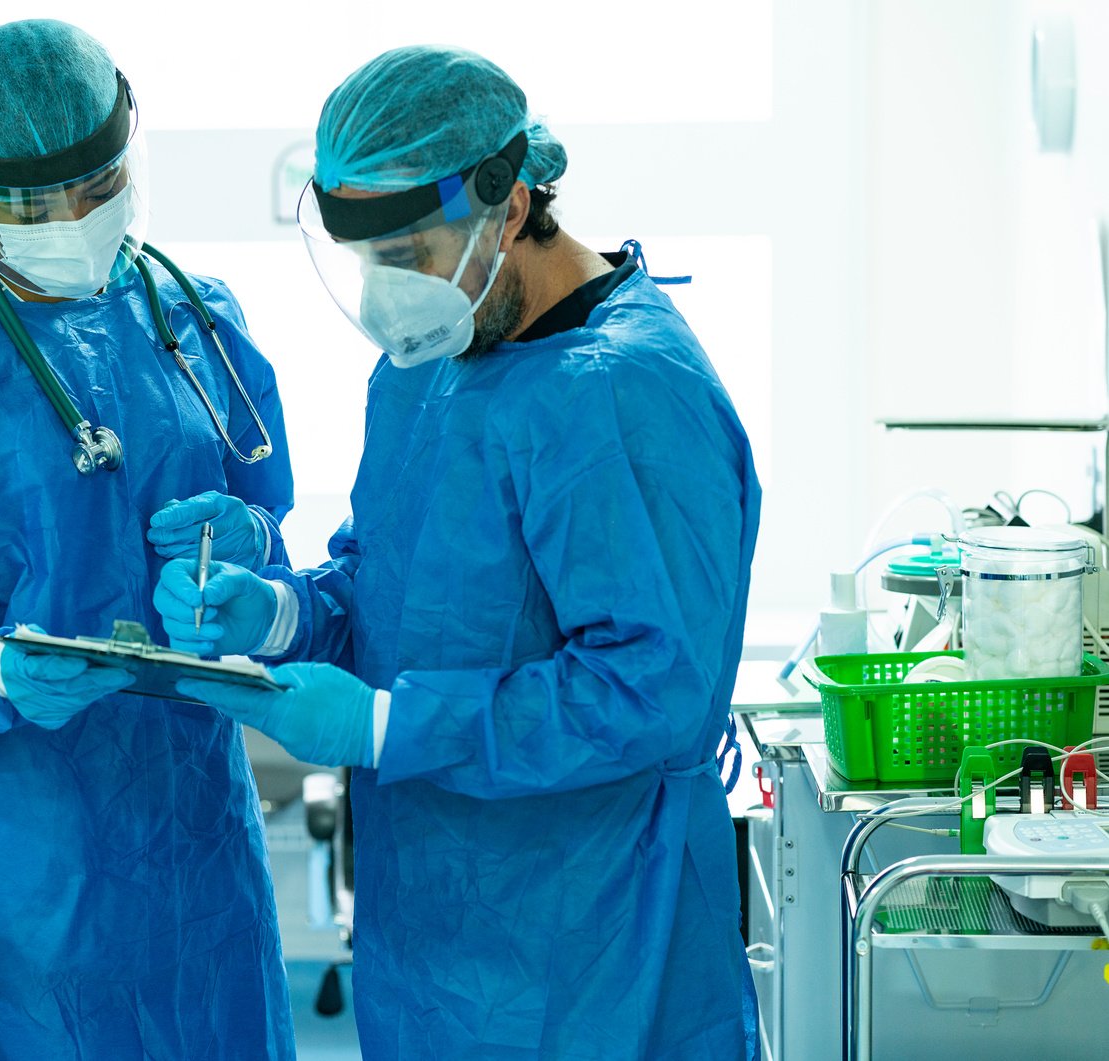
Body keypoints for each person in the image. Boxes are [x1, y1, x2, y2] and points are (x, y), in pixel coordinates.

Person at [154, 45, 761, 1060]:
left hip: (594, 953)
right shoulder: (430, 367)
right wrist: (283, 612)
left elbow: (654, 688)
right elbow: (389, 588)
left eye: (412, 255)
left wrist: (389, 724)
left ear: (511, 204)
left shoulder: (621, 391)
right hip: (431, 951)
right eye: (368, 262)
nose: (390, 294)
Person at [0, 20, 296, 1058]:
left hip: (195, 851)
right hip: (9, 873)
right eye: (30, 205)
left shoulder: (197, 321)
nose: (72, 220)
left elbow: (273, 531)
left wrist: (248, 556)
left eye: (94, 185)